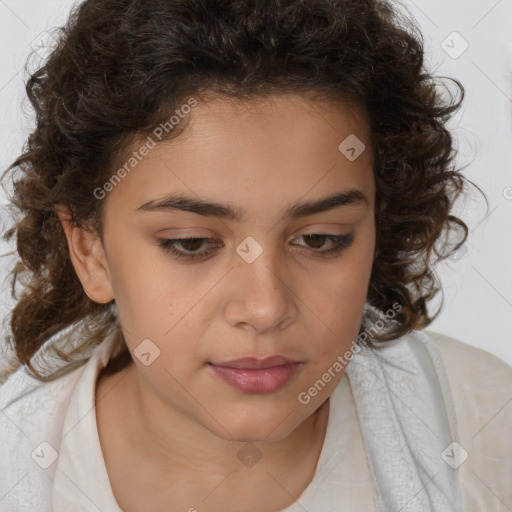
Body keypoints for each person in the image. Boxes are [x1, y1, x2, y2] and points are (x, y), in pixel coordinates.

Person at [1, 0, 511, 511]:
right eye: (192, 243)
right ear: (89, 251)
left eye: (320, 239)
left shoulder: (490, 432)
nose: (265, 309)